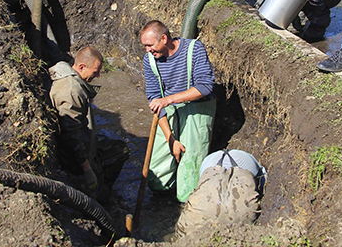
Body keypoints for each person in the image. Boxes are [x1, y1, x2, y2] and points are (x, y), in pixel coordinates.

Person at [140, 20, 216, 203]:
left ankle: (186, 202)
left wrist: (168, 99)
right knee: (157, 176)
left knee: (189, 172)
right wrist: (170, 139)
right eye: (144, 46)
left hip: (198, 106)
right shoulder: (149, 60)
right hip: (169, 109)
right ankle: (165, 195)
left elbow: (205, 86)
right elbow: (154, 98)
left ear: (164, 38)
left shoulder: (194, 49)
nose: (147, 50)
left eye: (150, 45)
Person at [48, 46, 130, 199]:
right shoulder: (72, 91)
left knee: (120, 150)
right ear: (81, 66)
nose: (98, 76)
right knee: (97, 196)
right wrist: (87, 169)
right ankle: (100, 195)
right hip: (75, 160)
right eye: (95, 71)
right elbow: (70, 136)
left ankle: (103, 184)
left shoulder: (74, 81)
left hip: (87, 145)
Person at [176, 149, 267, 236]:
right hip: (242, 208)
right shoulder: (250, 159)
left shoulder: (207, 161)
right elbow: (263, 183)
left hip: (203, 207)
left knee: (182, 235)